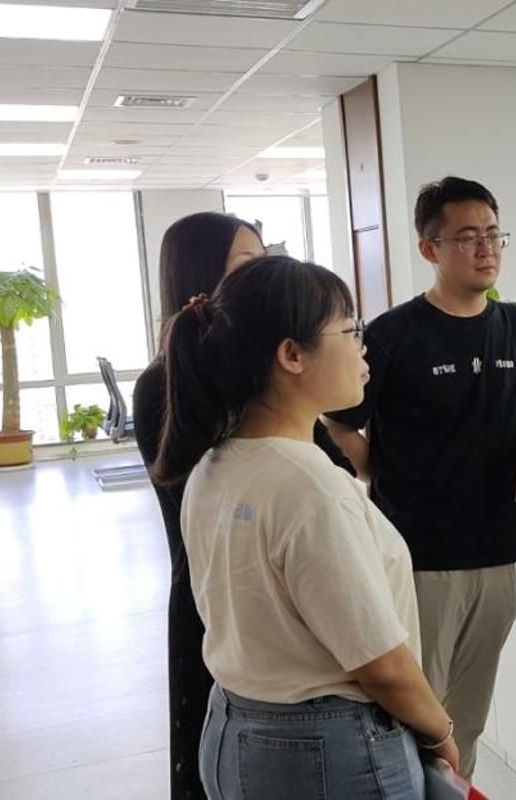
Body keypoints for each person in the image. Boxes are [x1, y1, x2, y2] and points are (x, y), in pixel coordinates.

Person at [152, 256, 457, 799]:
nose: (364, 348)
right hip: (328, 752)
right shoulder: (312, 487)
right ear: (292, 355)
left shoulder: (212, 467)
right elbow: (382, 665)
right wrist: (440, 731)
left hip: (231, 731)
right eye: (350, 329)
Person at [325, 176, 516, 778]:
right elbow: (338, 421)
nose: (485, 248)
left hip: (496, 550)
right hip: (419, 557)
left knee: (468, 716)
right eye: (467, 237)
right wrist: (377, 469)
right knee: (418, 715)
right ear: (430, 248)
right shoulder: (394, 333)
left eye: (492, 234)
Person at [131, 212, 354, 800]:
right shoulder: (167, 384)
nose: (266, 274)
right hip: (219, 599)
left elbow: (338, 468)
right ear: (201, 276)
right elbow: (236, 496)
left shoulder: (262, 382)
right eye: (248, 263)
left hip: (280, 598)